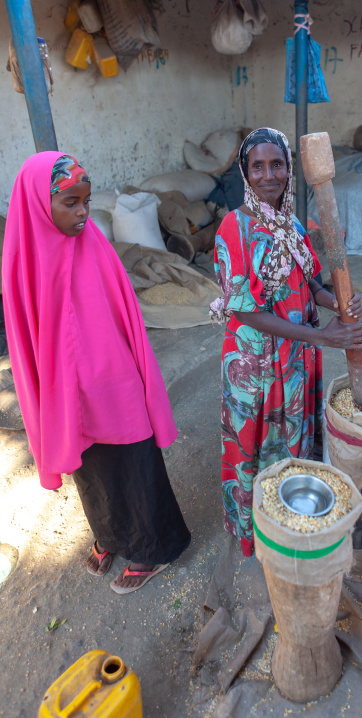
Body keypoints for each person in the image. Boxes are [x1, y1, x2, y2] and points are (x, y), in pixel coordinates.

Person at [2, 152, 190, 594]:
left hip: (114, 383)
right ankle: (110, 535)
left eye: (86, 200)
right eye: (71, 202)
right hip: (67, 390)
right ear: (38, 203)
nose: (84, 212)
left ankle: (153, 547)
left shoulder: (95, 247)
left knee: (133, 462)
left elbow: (124, 317)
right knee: (90, 469)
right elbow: (26, 338)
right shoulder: (22, 259)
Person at [210, 128, 362, 557]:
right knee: (255, 447)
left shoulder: (292, 222)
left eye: (276, 164)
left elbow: (309, 281)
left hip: (295, 357)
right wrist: (324, 336)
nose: (268, 175)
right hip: (255, 364)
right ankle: (256, 535)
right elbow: (245, 312)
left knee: (290, 442)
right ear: (245, 172)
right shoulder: (233, 228)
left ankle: (289, 524)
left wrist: (337, 303)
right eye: (257, 166)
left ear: (288, 169)